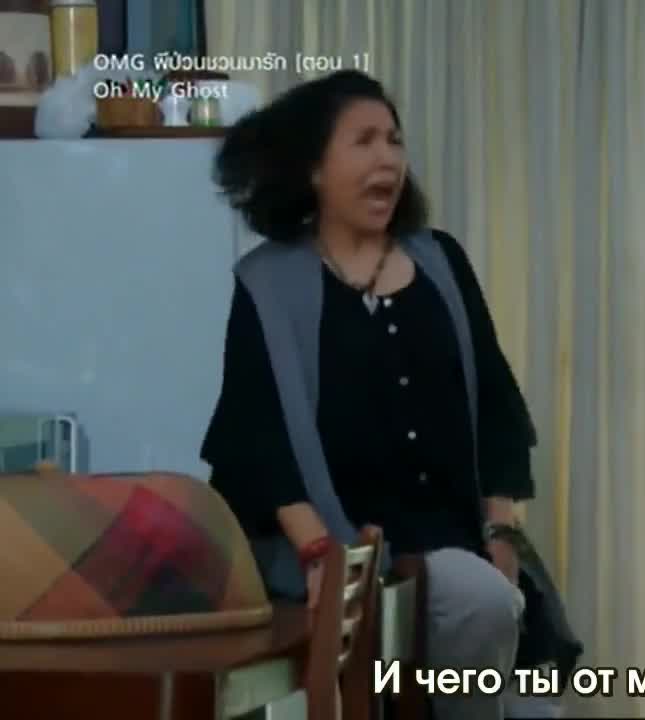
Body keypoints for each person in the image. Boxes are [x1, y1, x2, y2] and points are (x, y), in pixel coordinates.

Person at [202, 70, 537, 720]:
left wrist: (502, 534)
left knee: (482, 601)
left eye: (394, 140)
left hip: (449, 549)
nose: (387, 158)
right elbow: (256, 440)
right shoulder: (268, 284)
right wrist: (321, 556)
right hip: (329, 551)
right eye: (363, 141)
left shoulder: (441, 262)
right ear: (313, 168)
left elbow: (498, 404)